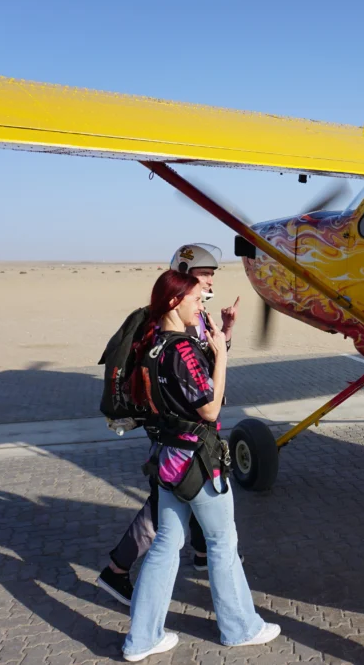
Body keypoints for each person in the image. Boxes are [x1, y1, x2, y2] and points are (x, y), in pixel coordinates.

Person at [122, 269, 279, 660]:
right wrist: (222, 357)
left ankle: (141, 639)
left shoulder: (152, 344)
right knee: (222, 544)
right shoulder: (181, 350)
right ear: (176, 301)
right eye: (196, 299)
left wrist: (222, 334)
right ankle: (240, 627)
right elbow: (208, 407)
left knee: (165, 544)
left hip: (166, 460)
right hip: (197, 462)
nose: (200, 306)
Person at [99, 244, 242, 606]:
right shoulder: (170, 320)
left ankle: (201, 553)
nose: (210, 281)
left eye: (212, 275)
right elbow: (188, 370)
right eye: (204, 275)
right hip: (176, 429)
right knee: (162, 504)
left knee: (187, 491)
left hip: (184, 427)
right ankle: (117, 570)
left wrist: (224, 333)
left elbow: (203, 361)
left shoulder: (194, 316)